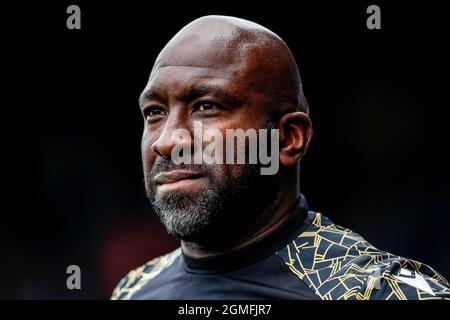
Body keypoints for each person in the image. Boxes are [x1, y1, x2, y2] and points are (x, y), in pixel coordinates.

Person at [111, 15, 449, 300]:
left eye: (207, 106)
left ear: (288, 139)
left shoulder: (377, 290)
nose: (168, 140)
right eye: (154, 112)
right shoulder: (132, 291)